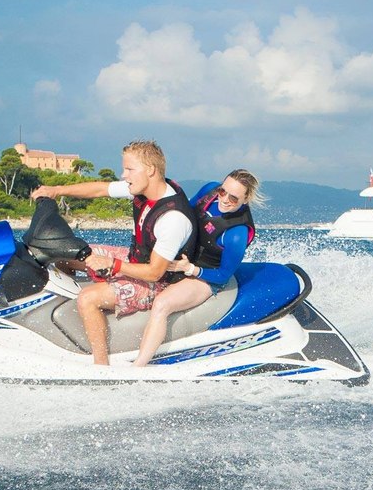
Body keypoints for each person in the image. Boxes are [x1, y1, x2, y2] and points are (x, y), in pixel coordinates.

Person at [30, 140, 196, 365]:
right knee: (66, 256)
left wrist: (112, 265)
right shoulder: (143, 188)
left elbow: (155, 272)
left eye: (129, 169)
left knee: (88, 299)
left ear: (150, 170)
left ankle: (101, 367)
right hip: (135, 259)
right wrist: (56, 191)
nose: (123, 174)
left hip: (159, 282)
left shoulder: (173, 219)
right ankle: (88, 313)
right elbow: (100, 189)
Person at [132, 169, 263, 367]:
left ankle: (138, 366)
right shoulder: (209, 191)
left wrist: (190, 269)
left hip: (205, 275)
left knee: (162, 304)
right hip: (183, 258)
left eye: (234, 198)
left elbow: (223, 275)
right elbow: (182, 213)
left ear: (245, 200)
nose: (225, 199)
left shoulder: (237, 233)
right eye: (223, 191)